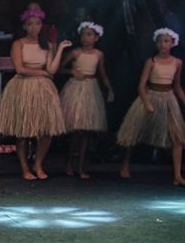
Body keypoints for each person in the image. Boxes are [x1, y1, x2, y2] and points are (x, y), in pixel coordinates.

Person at [0, 6, 71, 180]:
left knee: (46, 131)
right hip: (23, 87)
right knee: (23, 131)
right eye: (30, 24)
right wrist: (42, 73)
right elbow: (20, 68)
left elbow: (52, 70)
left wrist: (59, 49)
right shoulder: (18, 44)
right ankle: (25, 168)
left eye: (37, 24)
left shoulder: (47, 45)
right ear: (25, 26)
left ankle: (38, 164)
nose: (34, 27)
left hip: (43, 89)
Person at [117, 28, 185, 185]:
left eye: (166, 41)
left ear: (173, 43)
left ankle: (177, 175)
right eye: (160, 41)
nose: (163, 44)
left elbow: (177, 86)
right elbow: (141, 86)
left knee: (177, 137)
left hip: (168, 99)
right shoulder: (151, 62)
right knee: (134, 133)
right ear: (156, 43)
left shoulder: (177, 62)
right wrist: (147, 103)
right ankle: (126, 164)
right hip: (151, 96)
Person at [59, 22, 114, 178]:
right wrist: (71, 71)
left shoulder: (99, 54)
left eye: (89, 35)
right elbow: (58, 68)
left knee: (86, 132)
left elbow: (102, 73)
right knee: (76, 130)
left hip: (91, 89)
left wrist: (109, 89)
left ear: (96, 38)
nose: (85, 38)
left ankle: (81, 167)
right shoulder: (75, 53)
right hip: (75, 88)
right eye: (83, 34)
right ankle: (69, 161)